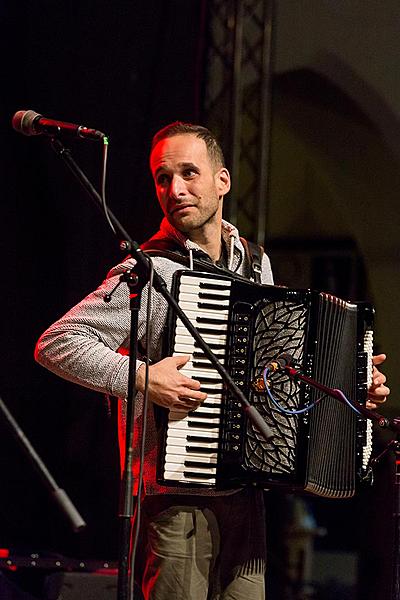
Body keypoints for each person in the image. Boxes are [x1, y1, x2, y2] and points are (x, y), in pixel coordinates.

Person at [35, 122, 389, 600]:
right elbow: (58, 342)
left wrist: (348, 388)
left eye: (188, 173)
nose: (175, 189)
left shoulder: (255, 262)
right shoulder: (151, 270)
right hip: (175, 501)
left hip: (247, 495)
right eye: (162, 178)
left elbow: (277, 369)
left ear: (222, 180)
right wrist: (140, 377)